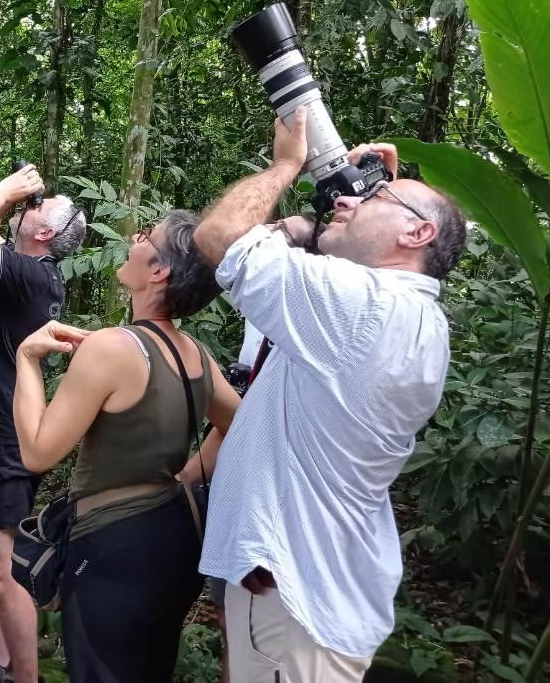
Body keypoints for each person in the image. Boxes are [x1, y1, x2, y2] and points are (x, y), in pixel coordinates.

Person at [193, 107, 467, 682]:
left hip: (294, 603)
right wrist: (363, 203)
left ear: (417, 233)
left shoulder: (362, 308)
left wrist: (286, 165)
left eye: (372, 202)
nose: (347, 200)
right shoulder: (411, 316)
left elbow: (217, 237)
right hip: (319, 592)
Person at [13, 210, 242, 683]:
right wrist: (184, 479)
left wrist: (27, 359)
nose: (135, 238)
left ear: (159, 271)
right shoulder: (196, 353)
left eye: (146, 236)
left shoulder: (113, 348)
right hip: (175, 538)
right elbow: (237, 423)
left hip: (113, 547)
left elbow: (37, 452)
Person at [0, 164, 86, 683]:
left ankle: (22, 677)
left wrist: (6, 189)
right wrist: (11, 203)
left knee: (0, 572)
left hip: (3, 443)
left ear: (46, 233)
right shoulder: (35, 278)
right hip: (0, 435)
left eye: (38, 208)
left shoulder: (31, 277)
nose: (30, 207)